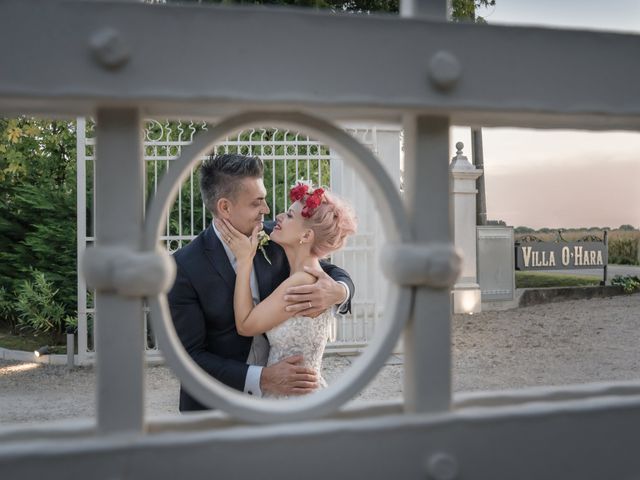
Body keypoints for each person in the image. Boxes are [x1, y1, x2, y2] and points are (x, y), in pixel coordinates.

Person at [168, 154, 354, 411]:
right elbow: (188, 358)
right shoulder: (184, 267)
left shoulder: (277, 237)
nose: (267, 210)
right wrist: (262, 378)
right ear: (225, 207)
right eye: (257, 203)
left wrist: (339, 292)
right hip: (218, 406)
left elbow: (327, 268)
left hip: (288, 399)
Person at [216, 181, 357, 397]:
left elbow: (245, 325)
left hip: (291, 396)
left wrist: (245, 261)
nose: (279, 217)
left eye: (290, 216)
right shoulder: (311, 276)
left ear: (306, 236)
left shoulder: (301, 282)